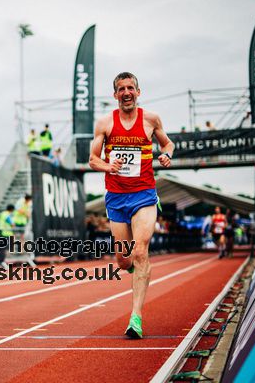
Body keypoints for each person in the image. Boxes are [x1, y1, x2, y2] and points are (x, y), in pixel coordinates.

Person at [89, 72, 173, 339]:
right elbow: (92, 159)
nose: (126, 92)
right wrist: (106, 164)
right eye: (121, 89)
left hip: (144, 195)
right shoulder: (105, 123)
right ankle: (133, 265)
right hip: (116, 197)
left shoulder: (151, 119)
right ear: (115, 95)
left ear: (138, 92)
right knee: (123, 260)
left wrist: (167, 154)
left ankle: (135, 317)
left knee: (140, 250)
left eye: (131, 88)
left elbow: (167, 142)